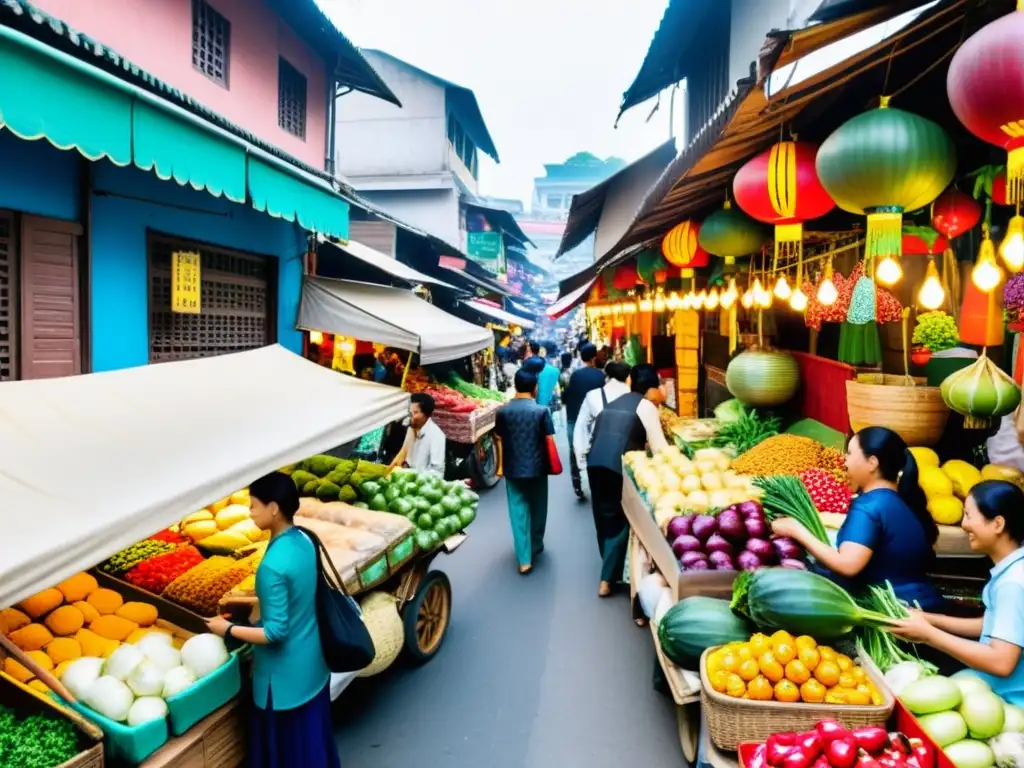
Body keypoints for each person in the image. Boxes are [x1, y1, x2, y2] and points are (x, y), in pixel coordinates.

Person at [206, 472, 337, 768]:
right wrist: (253, 603)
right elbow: (298, 594)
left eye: (253, 506)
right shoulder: (303, 539)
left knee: (289, 752)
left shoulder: (271, 566)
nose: (250, 513)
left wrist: (227, 628)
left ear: (274, 508)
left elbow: (275, 632)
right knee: (313, 742)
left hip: (284, 679)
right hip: (313, 664)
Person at [771, 426, 944, 611]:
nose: (844, 461)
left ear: (872, 462)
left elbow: (848, 565)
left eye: (850, 454)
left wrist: (795, 530)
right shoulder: (904, 502)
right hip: (923, 604)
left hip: (893, 613)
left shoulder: (869, 506)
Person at [891, 481, 1024, 704]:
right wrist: (929, 619)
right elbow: (995, 625)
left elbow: (1002, 662)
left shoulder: (1012, 583)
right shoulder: (1016, 569)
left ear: (998, 524)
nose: (963, 525)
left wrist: (928, 635)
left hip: (1008, 703)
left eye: (969, 516)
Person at [585, 364, 670, 597]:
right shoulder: (647, 407)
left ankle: (608, 567)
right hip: (618, 465)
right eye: (659, 387)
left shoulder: (616, 402)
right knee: (621, 520)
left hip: (595, 462)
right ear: (651, 388)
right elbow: (660, 448)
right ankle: (607, 578)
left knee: (603, 517)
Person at [495, 370, 554, 574]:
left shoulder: (502, 411)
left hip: (512, 468)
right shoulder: (541, 411)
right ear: (534, 388)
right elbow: (549, 439)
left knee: (517, 512)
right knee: (539, 510)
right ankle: (536, 544)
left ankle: (524, 559)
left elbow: (499, 437)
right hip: (538, 468)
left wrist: (500, 465)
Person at [563, 343, 607, 499]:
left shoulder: (575, 375)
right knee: (596, 450)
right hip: (595, 419)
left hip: (574, 418)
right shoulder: (601, 376)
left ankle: (577, 483)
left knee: (574, 450)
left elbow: (567, 395)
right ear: (594, 357)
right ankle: (598, 484)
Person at [573, 361, 631, 472]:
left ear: (607, 377)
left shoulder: (593, 396)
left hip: (600, 458)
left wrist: (581, 460)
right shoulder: (635, 396)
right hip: (630, 458)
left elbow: (581, 428)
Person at [388, 392, 446, 476]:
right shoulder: (411, 428)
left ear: (426, 415)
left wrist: (410, 472)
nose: (411, 416)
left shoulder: (437, 436)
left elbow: (437, 472)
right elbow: (404, 454)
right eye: (410, 412)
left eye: (415, 412)